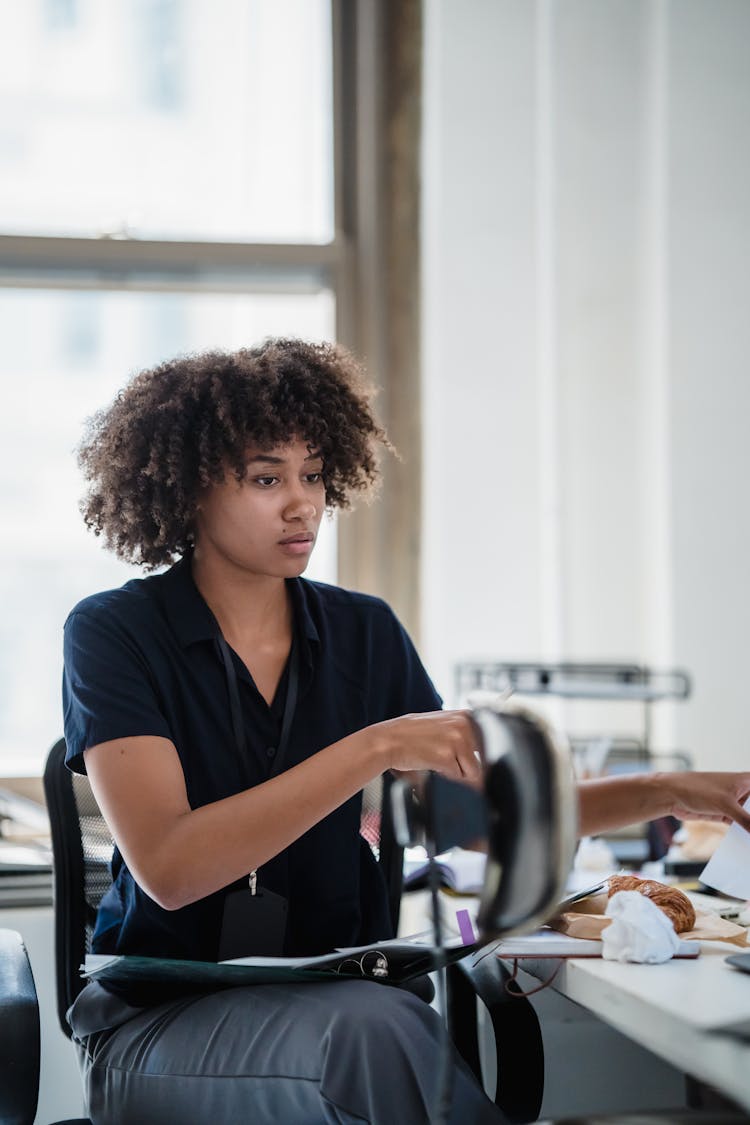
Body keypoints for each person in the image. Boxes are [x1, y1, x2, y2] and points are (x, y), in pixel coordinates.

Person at [62, 338, 750, 1125]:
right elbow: (172, 869)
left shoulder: (365, 633)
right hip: (157, 1027)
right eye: (266, 478)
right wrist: (378, 745)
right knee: (381, 1026)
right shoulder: (113, 632)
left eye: (315, 474)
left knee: (380, 1020)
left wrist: (675, 790)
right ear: (187, 489)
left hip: (335, 1007)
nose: (303, 504)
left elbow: (492, 825)